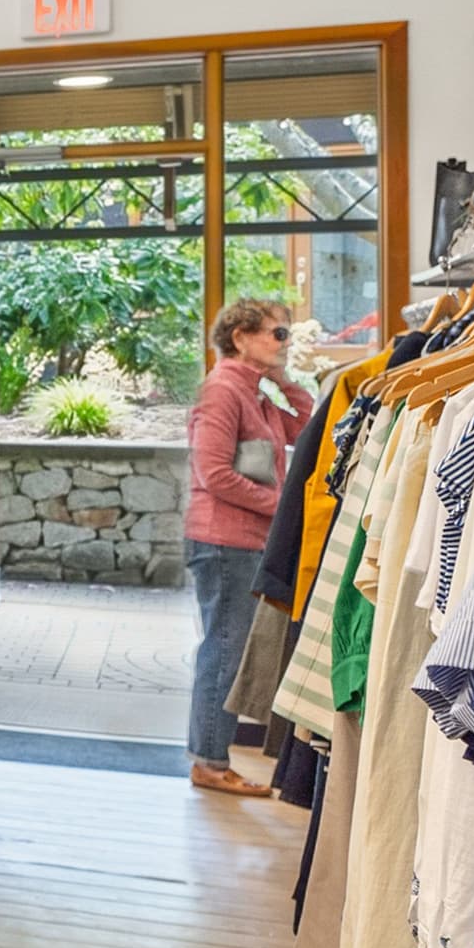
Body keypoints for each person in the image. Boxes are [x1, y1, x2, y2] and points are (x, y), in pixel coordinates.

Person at [183, 295, 309, 795]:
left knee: (229, 651)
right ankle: (210, 763)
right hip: (223, 544)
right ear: (241, 337)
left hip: (241, 542)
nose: (286, 343)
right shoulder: (222, 392)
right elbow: (213, 473)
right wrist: (281, 508)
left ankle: (214, 758)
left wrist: (281, 380)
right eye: (278, 334)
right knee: (225, 652)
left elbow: (307, 425)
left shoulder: (255, 395)